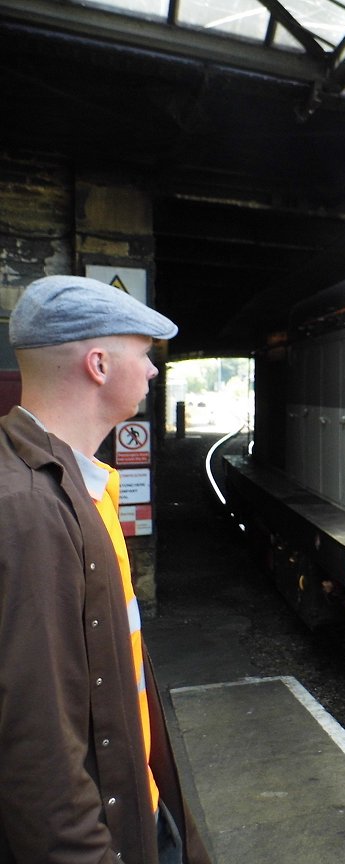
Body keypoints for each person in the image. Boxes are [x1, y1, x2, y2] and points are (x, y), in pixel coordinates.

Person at [0, 276, 211, 864]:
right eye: (143, 354)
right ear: (98, 364)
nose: (151, 373)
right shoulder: (29, 511)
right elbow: (36, 748)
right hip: (107, 837)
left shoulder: (79, 487)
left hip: (135, 810)